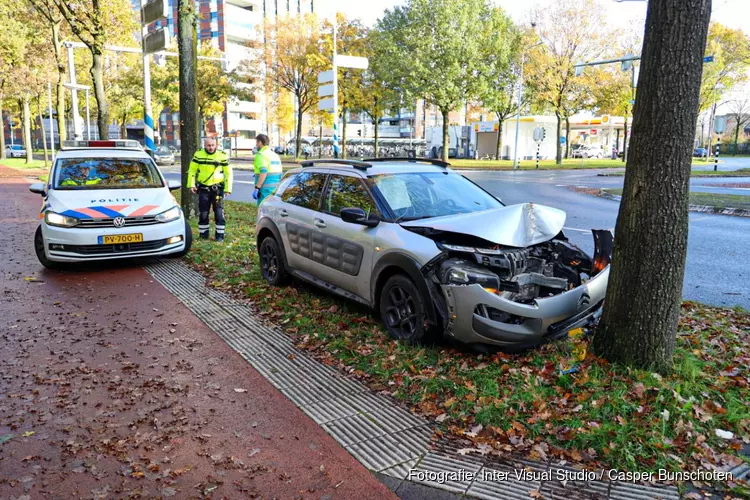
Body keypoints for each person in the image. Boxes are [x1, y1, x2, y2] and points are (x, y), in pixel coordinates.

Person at [187, 137, 233, 242]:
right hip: (204, 188)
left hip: (218, 189)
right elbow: (192, 171)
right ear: (205, 145)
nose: (211, 147)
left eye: (213, 145)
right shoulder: (198, 155)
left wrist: (228, 188)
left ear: (216, 145)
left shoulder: (222, 156)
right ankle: (203, 235)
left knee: (219, 213)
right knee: (203, 213)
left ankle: (220, 236)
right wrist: (191, 184)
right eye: (208, 145)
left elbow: (228, 173)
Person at [252, 134, 282, 206]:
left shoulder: (261, 155)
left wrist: (257, 187)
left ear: (260, 142)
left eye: (256, 142)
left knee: (262, 212)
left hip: (264, 190)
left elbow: (263, 172)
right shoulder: (275, 155)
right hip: (275, 189)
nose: (256, 145)